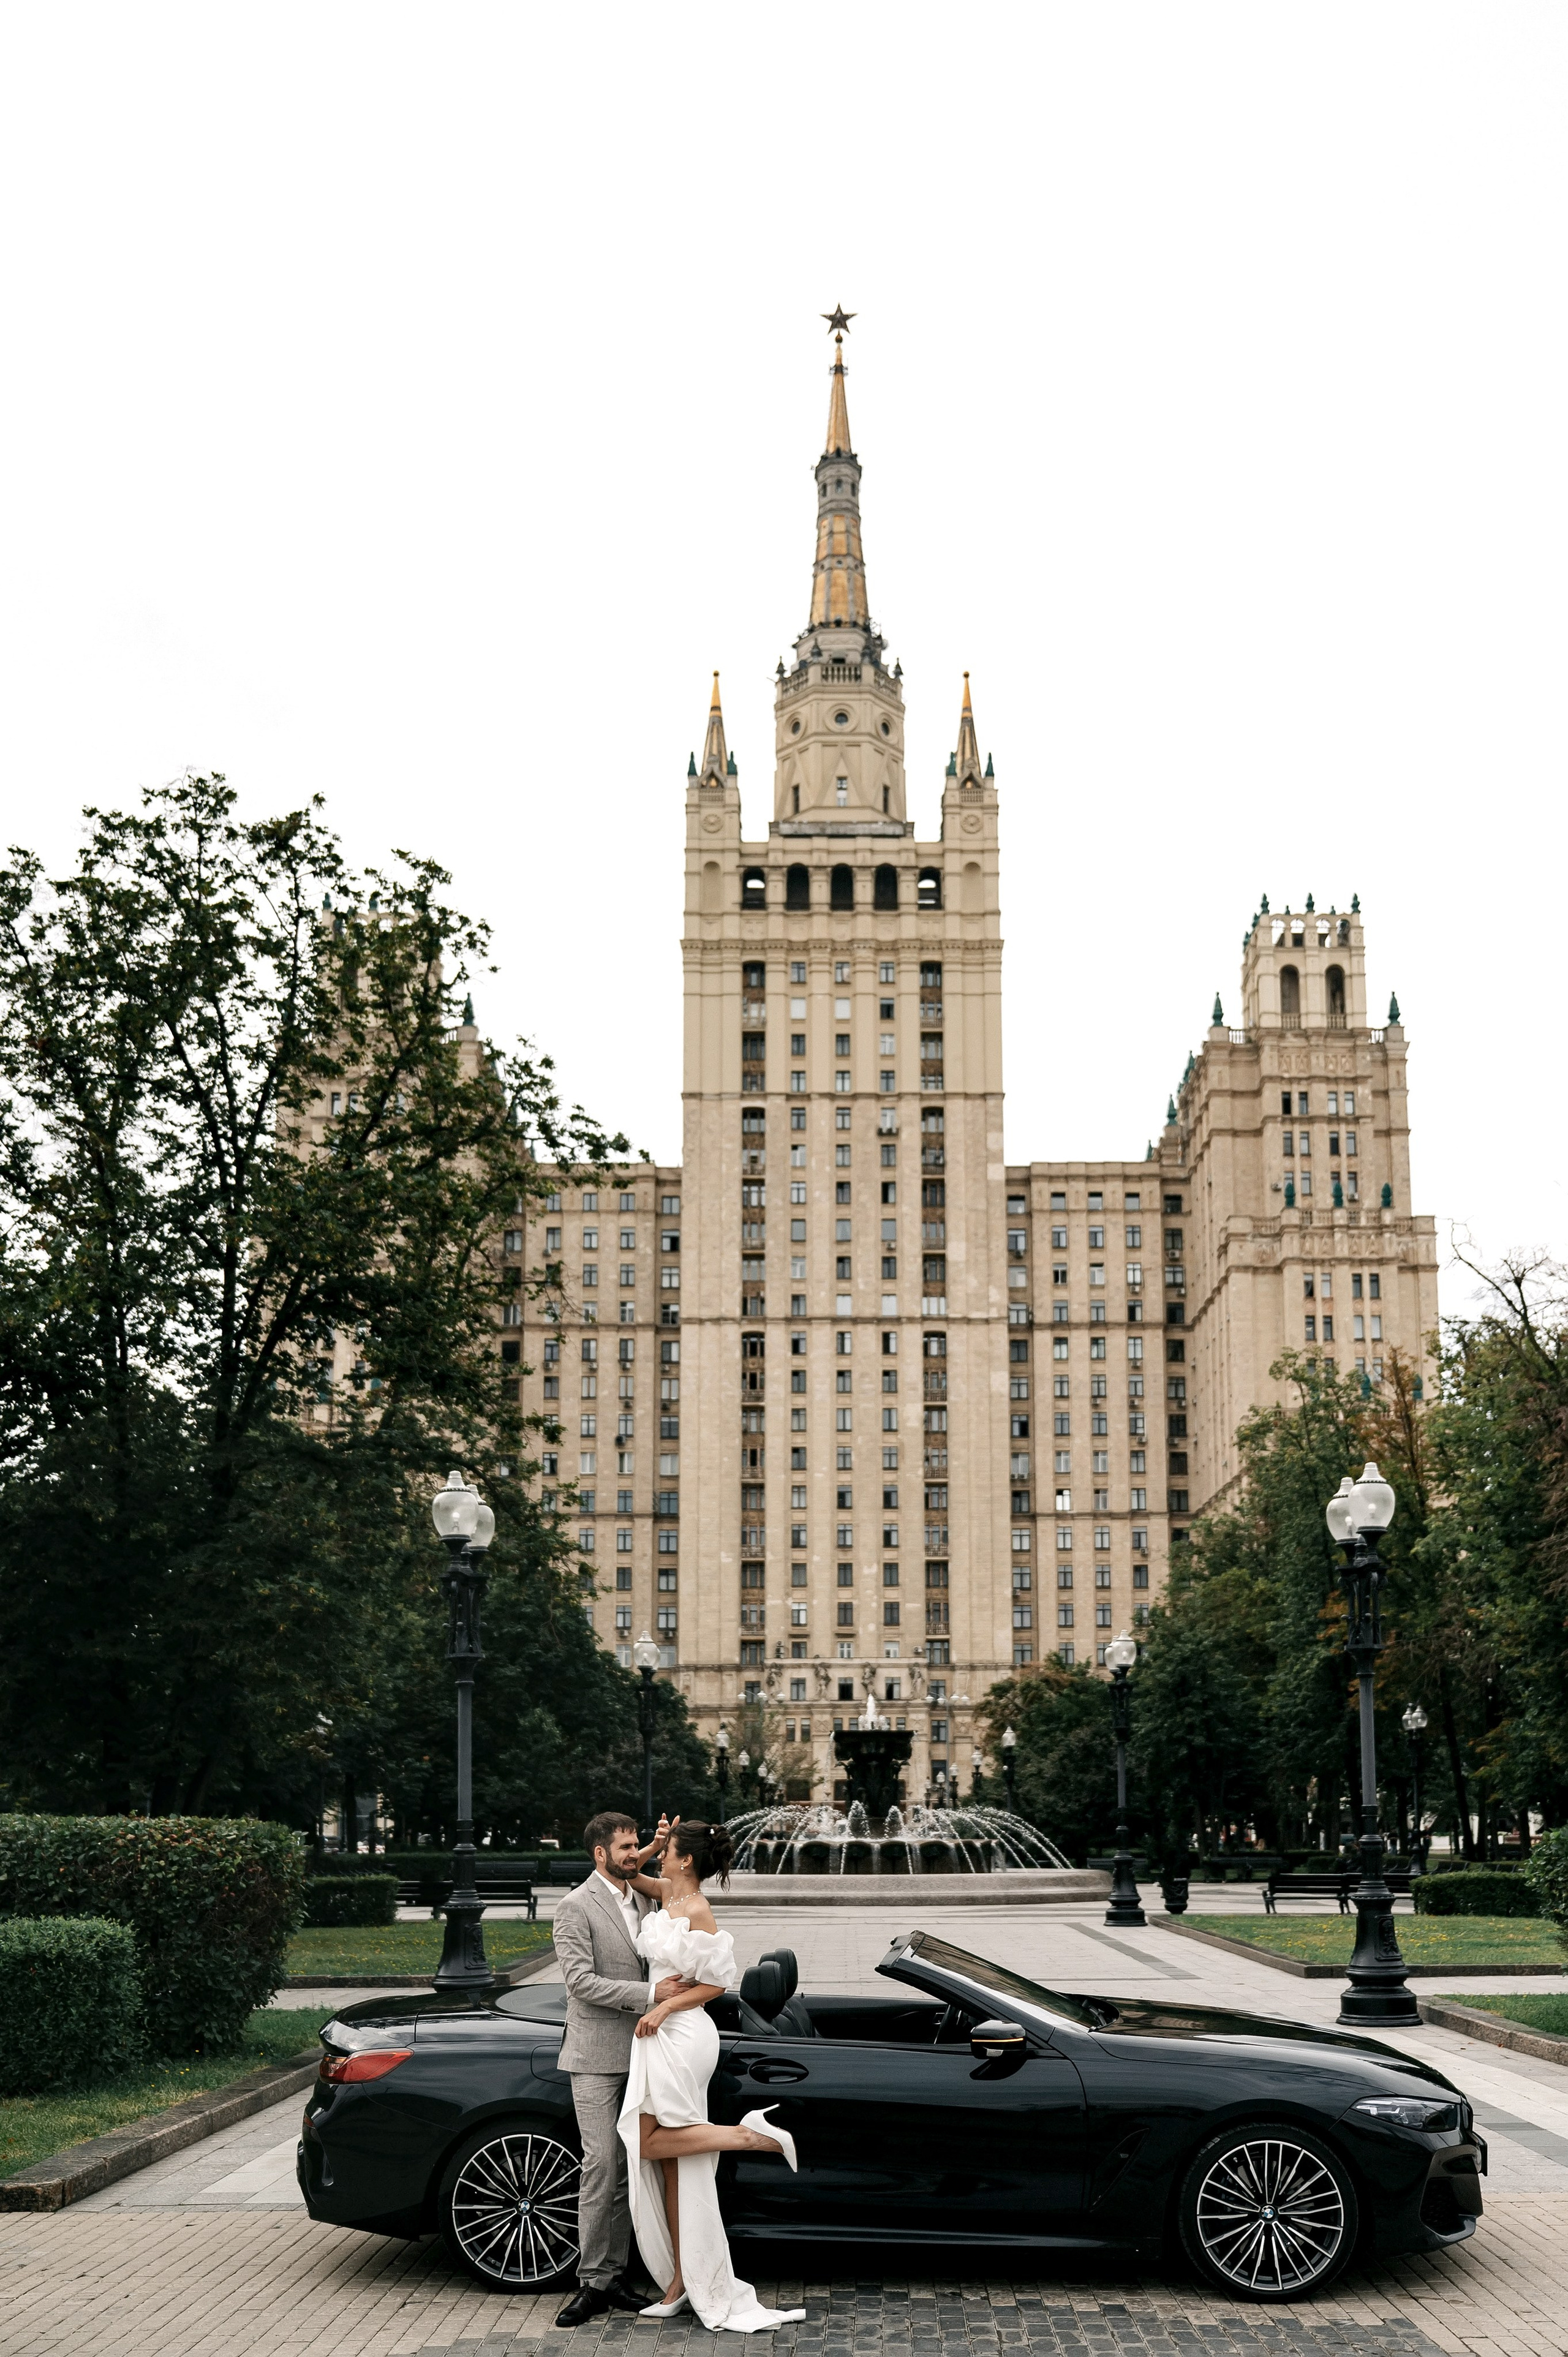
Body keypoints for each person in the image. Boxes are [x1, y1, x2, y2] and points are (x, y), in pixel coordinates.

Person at [616, 1819, 805, 2333]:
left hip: (681, 2034)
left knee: (650, 2141)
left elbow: (718, 1984)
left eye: (667, 1851)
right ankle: (683, 2282)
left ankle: (748, 2134)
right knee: (675, 2163)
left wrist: (663, 2008)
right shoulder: (664, 1895)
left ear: (686, 1862)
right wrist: (654, 1838)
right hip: (659, 2032)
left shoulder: (697, 1908)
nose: (657, 1857)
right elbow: (623, 1867)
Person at [552, 1809, 680, 2328]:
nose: (634, 1854)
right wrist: (651, 1993)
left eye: (637, 1846)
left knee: (631, 2167)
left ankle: (615, 2274)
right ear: (600, 1853)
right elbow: (580, 1983)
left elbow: (655, 1875)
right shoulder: (573, 1907)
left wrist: (656, 1846)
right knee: (600, 2165)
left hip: (646, 2052)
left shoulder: (645, 1895)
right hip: (596, 2056)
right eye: (624, 1848)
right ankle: (590, 2283)